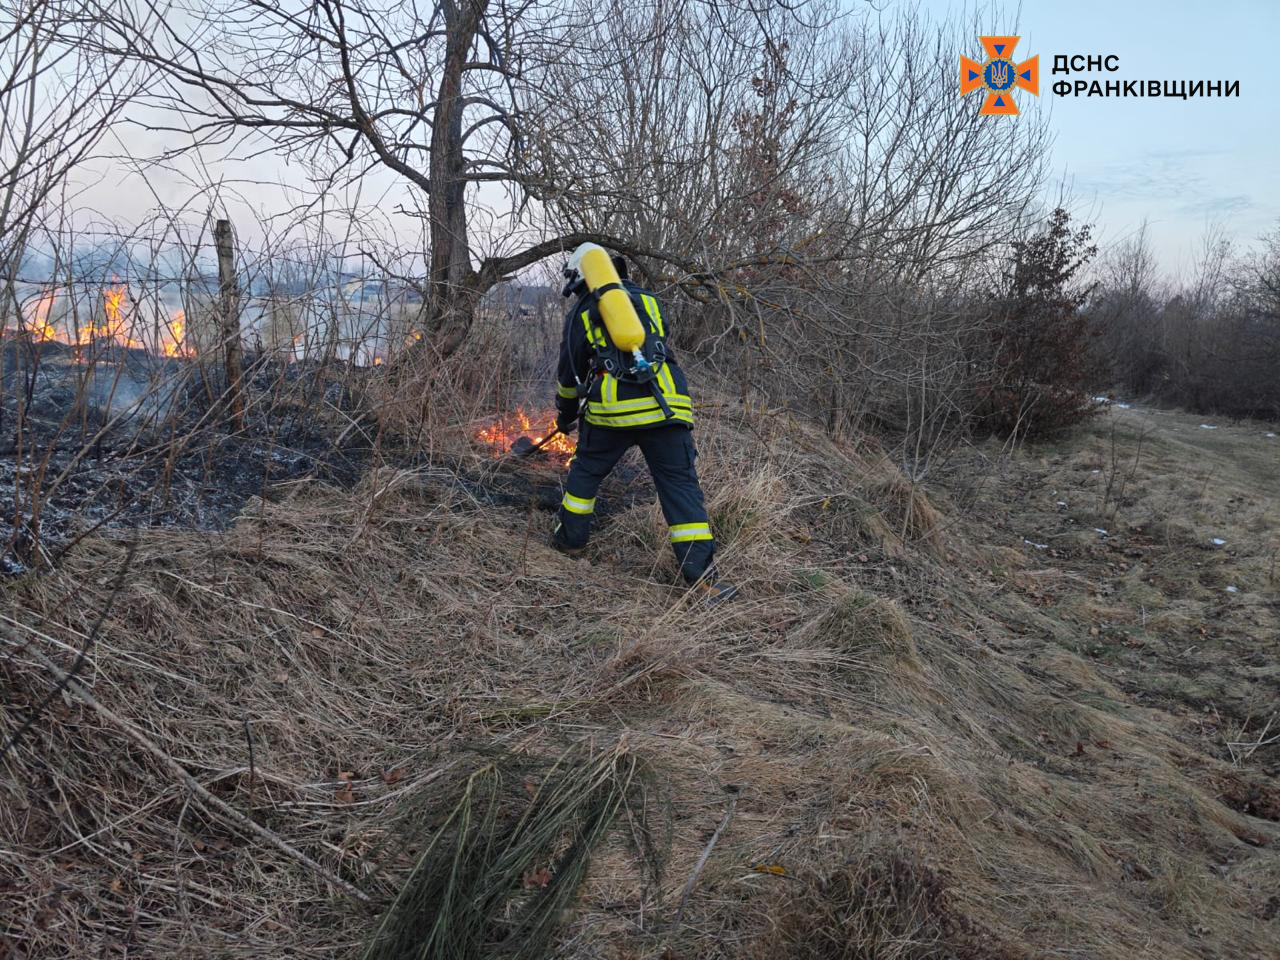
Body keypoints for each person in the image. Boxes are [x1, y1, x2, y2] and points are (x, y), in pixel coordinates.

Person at [549, 244, 736, 602]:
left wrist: (565, 414)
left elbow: (569, 373)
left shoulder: (582, 312)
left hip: (612, 412)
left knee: (586, 472)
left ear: (580, 279)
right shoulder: (649, 300)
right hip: (667, 406)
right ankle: (704, 579)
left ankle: (570, 542)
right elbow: (657, 343)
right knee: (680, 487)